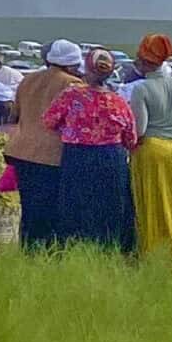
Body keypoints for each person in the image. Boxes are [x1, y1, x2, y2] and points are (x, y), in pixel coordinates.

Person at [43, 48, 137, 255]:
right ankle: (108, 250)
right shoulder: (119, 101)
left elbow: (49, 121)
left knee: (77, 204)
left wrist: (70, 130)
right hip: (112, 159)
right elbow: (131, 138)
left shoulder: (72, 95)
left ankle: (74, 249)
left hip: (78, 156)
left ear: (87, 68)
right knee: (109, 207)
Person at [122, 34, 172, 268]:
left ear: (144, 61)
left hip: (153, 149)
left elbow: (141, 128)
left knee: (154, 203)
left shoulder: (142, 89)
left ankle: (156, 256)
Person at [3, 41, 83, 252]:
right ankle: (48, 254)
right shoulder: (72, 84)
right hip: (52, 155)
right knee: (51, 210)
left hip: (21, 151)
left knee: (29, 208)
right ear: (72, 64)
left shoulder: (28, 79)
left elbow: (16, 114)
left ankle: (27, 251)